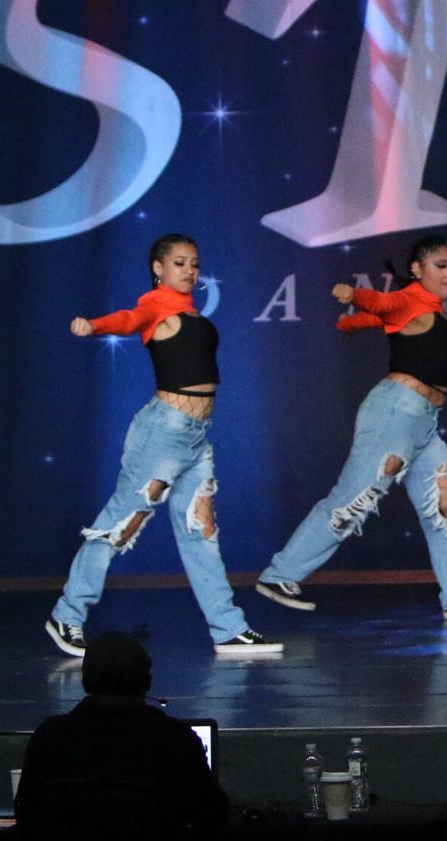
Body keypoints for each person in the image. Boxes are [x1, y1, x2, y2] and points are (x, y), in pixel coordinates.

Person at [47, 235, 280, 658]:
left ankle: (228, 628)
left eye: (194, 263)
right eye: (179, 263)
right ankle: (67, 614)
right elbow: (127, 319)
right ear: (158, 268)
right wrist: (94, 325)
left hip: (195, 438)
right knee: (121, 523)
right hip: (163, 433)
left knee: (201, 532)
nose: (189, 271)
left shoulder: (190, 311)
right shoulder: (156, 302)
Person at [254, 233, 447, 621]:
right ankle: (280, 574)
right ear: (417, 269)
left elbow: (375, 317)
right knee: (353, 499)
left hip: (423, 421)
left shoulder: (430, 308)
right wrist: (354, 295)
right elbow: (383, 303)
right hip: (396, 413)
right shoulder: (408, 299)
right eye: (441, 265)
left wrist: (351, 323)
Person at [15, 631, 227, 841]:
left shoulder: (50, 737)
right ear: (147, 680)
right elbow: (212, 816)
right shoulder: (174, 738)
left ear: (85, 679)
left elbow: (26, 814)